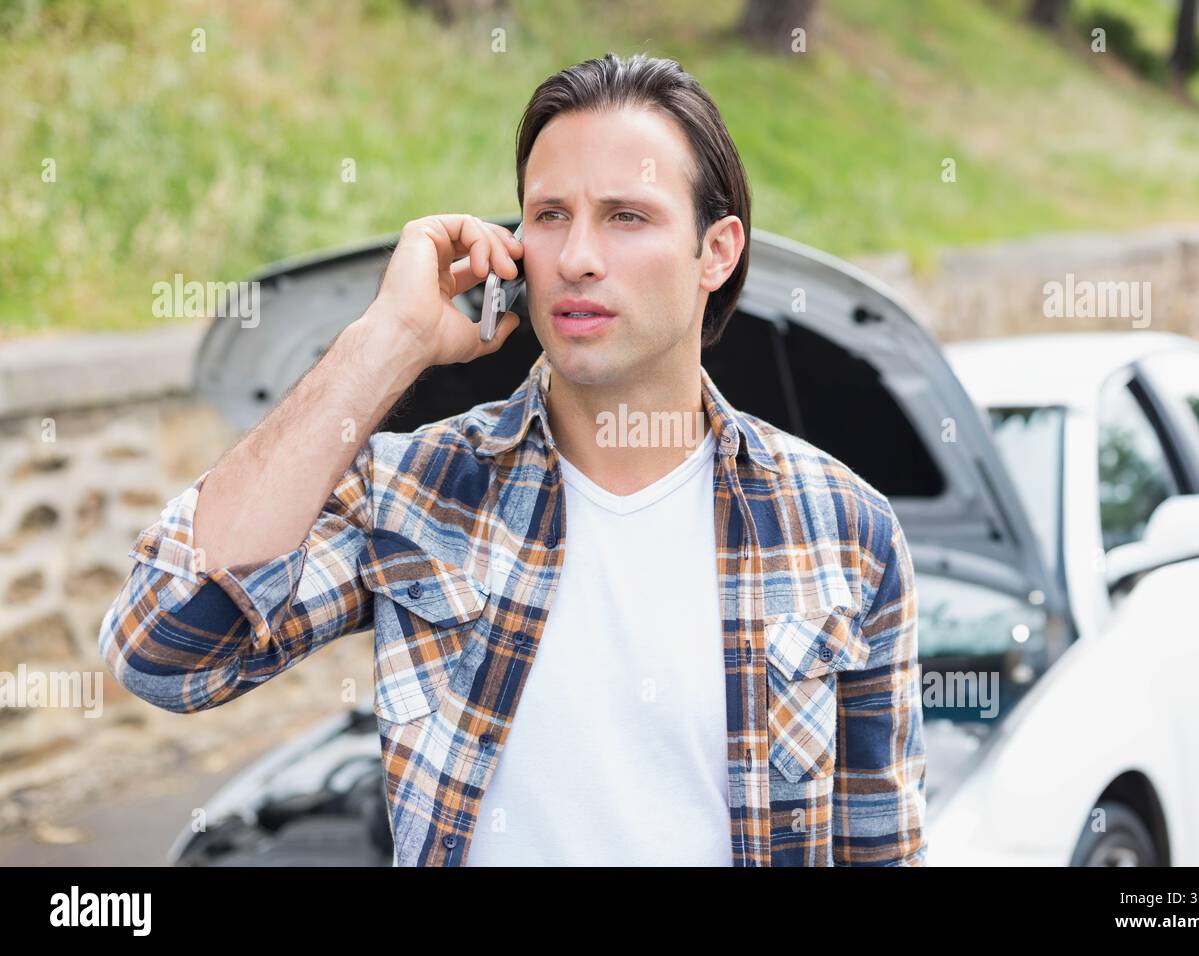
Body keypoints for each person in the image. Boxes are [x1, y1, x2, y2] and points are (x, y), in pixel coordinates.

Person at [99, 51, 926, 867]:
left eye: (626, 217)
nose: (576, 259)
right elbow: (163, 650)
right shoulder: (419, 491)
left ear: (717, 251)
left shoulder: (843, 527)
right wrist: (387, 344)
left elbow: (879, 849)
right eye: (551, 215)